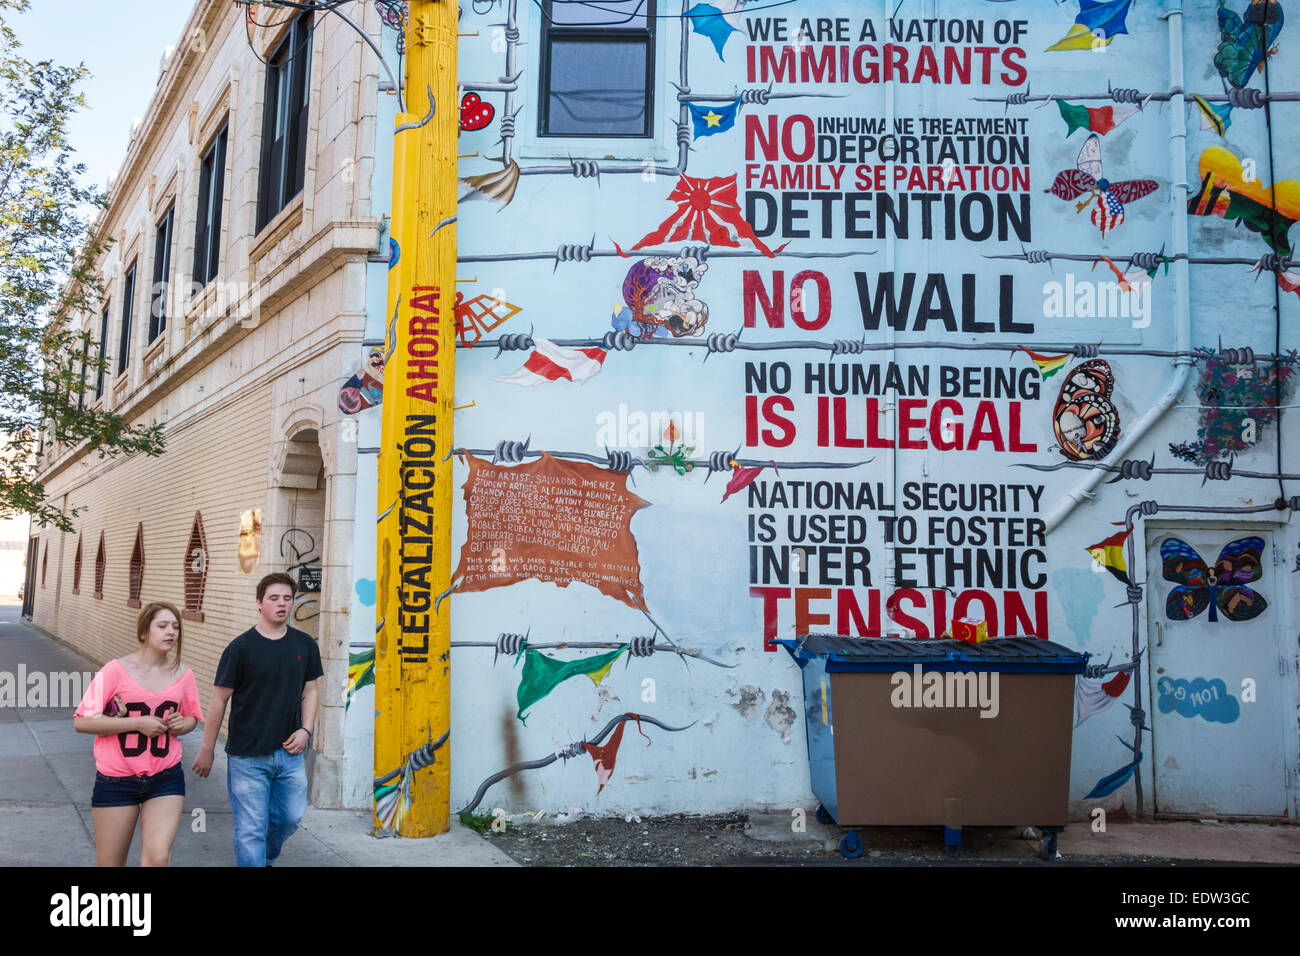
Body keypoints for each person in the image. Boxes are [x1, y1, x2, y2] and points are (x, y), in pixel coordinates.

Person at [192, 572, 322, 867]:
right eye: (274, 598)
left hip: (289, 754)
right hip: (247, 756)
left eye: (287, 598)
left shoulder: (304, 645)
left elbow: (311, 691)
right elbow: (219, 700)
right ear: (259, 603)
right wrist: (207, 749)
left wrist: (306, 730)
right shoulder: (240, 649)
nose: (282, 604)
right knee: (250, 828)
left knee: (289, 818)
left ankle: (263, 859)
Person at [73, 602, 202, 866]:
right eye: (162, 626)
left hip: (166, 777)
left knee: (156, 859)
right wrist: (136, 724)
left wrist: (182, 724)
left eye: (176, 627)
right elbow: (82, 722)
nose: (171, 632)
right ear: (144, 632)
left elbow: (192, 718)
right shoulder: (114, 670)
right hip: (117, 780)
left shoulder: (183, 674)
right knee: (110, 863)